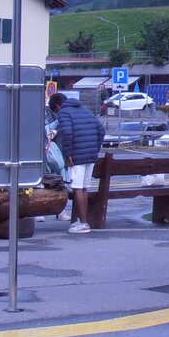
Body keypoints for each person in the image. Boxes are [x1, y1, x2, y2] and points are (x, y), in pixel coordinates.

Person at [50, 91, 105, 234]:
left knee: (77, 188)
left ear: (57, 106)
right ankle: (82, 221)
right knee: (84, 188)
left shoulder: (64, 113)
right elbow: (101, 130)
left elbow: (67, 133)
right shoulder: (86, 110)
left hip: (76, 156)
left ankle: (83, 223)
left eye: (55, 111)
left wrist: (67, 155)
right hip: (90, 154)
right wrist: (95, 148)